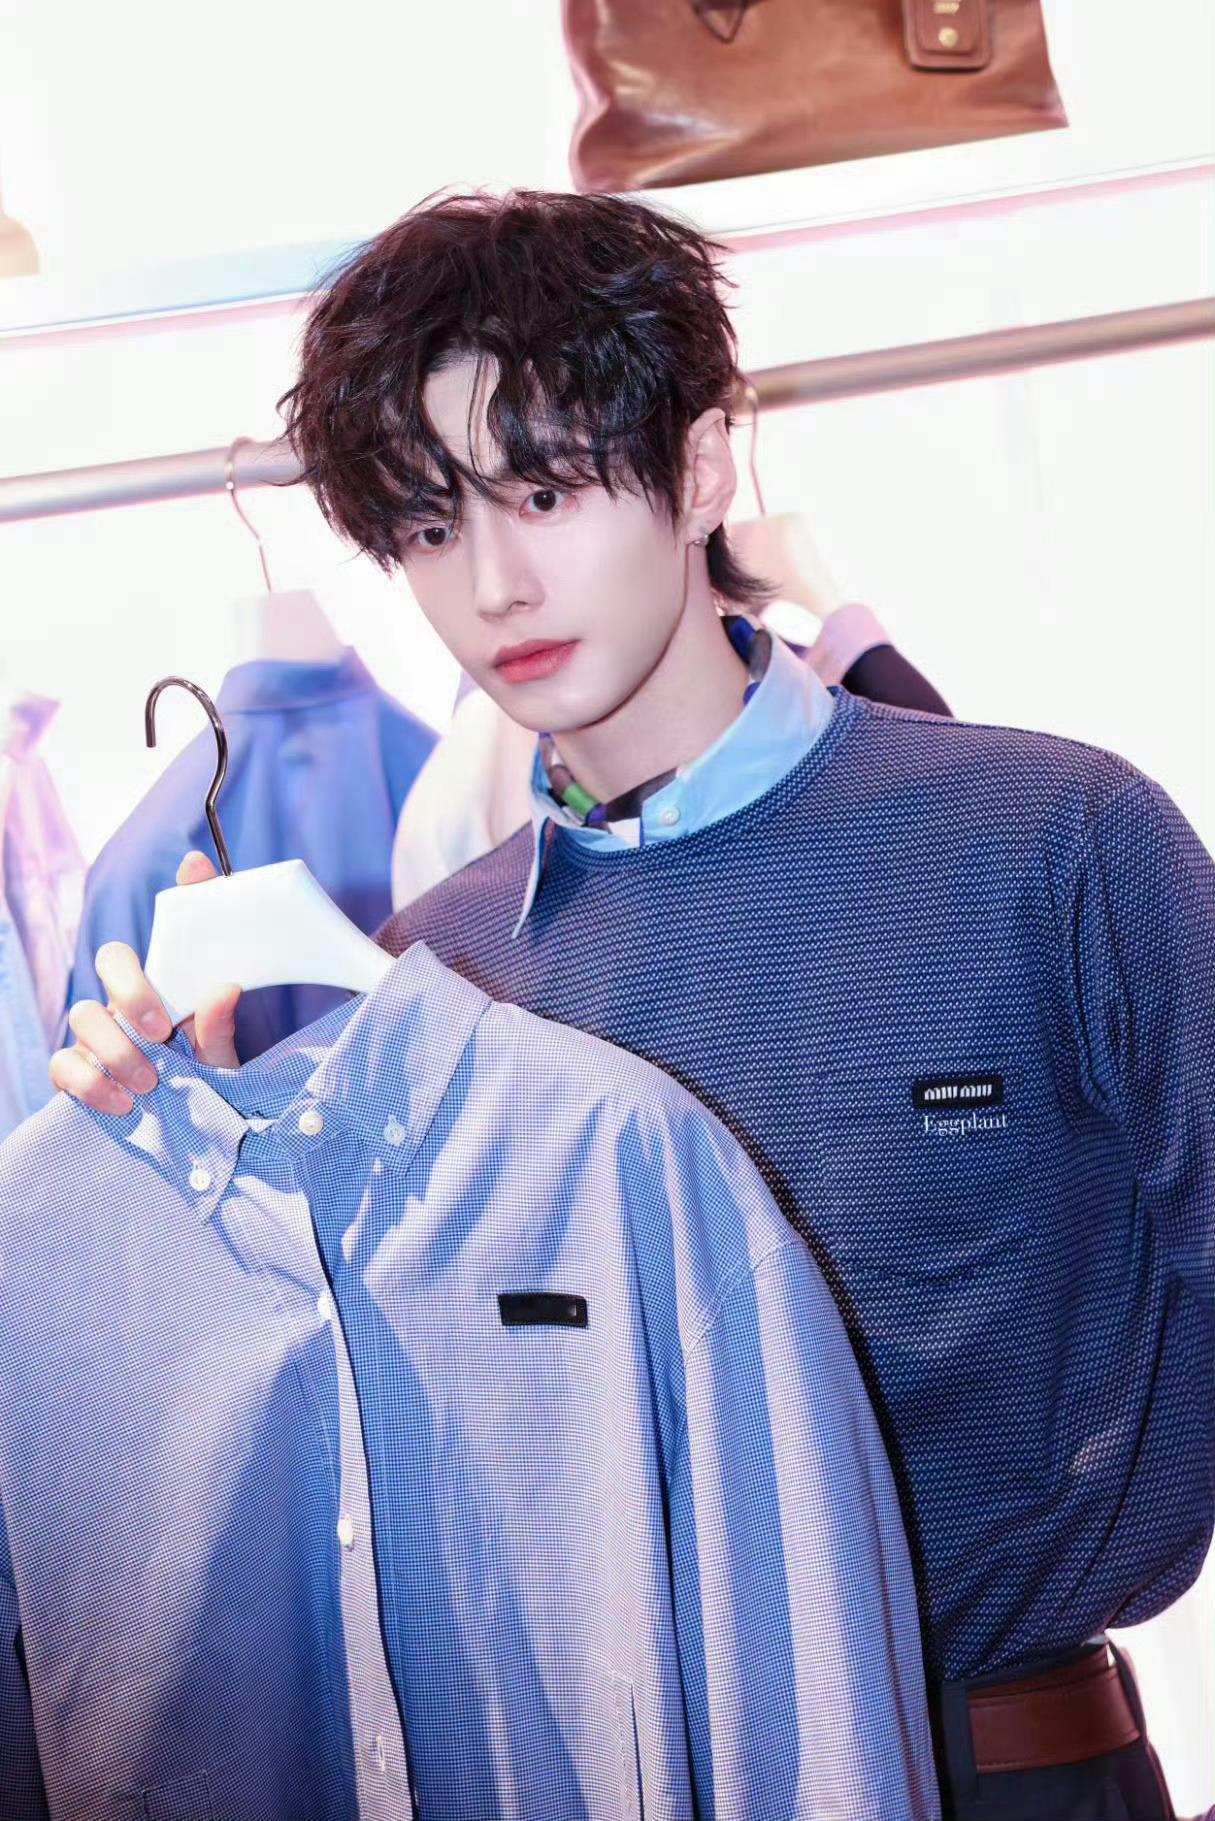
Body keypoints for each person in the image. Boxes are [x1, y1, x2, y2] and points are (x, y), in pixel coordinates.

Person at [53, 189, 1213, 1821]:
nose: (496, 582)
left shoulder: (1052, 845)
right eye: (429, 527)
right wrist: (205, 1177)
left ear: (703, 465)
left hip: (1014, 1767)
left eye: (544, 491)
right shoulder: (438, 972)